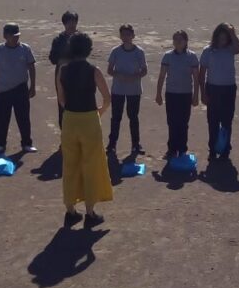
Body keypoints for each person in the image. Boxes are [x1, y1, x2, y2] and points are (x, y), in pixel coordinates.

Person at [56, 32, 113, 227]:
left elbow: (61, 100)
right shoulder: (93, 70)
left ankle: (70, 209)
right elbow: (107, 98)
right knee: (92, 164)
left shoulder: (62, 70)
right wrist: (99, 112)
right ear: (89, 50)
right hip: (89, 118)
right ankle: (90, 211)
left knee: (70, 164)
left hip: (70, 119)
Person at [0, 23, 38, 155]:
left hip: (20, 89)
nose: (15, 38)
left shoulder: (25, 49)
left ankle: (27, 143)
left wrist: (32, 86)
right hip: (2, 90)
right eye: (12, 36)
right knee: (1, 120)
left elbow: (31, 67)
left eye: (17, 36)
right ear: (5, 36)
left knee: (23, 118)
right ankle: (0, 145)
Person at [199, 23, 239, 161]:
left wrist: (232, 32)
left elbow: (238, 48)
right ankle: (212, 149)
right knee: (213, 121)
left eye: (225, 38)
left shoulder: (231, 49)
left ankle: (225, 149)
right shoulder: (208, 50)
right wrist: (203, 93)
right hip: (212, 88)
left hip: (229, 89)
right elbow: (202, 73)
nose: (222, 41)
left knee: (227, 121)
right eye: (220, 38)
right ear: (216, 37)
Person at [155, 30, 200, 159]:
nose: (178, 42)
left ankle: (182, 148)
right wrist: (158, 93)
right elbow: (162, 76)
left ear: (186, 41)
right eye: (175, 39)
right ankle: (172, 148)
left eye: (180, 39)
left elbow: (196, 79)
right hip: (171, 94)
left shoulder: (192, 56)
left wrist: (196, 96)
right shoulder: (167, 56)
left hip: (185, 94)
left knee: (183, 122)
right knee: (172, 122)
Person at [106, 24, 147, 155]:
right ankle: (112, 144)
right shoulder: (115, 51)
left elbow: (144, 70)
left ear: (133, 36)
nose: (126, 37)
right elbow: (109, 70)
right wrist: (119, 75)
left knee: (133, 117)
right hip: (118, 90)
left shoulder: (139, 52)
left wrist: (135, 77)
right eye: (123, 35)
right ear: (120, 36)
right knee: (116, 117)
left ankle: (136, 144)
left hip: (134, 90)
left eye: (128, 35)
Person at [48, 10, 79, 128]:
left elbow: (85, 56)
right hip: (62, 76)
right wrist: (64, 59)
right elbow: (52, 59)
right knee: (62, 105)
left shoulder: (82, 39)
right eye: (69, 22)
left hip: (79, 75)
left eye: (74, 22)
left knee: (79, 105)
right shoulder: (58, 40)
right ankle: (64, 138)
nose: (71, 25)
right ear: (64, 23)